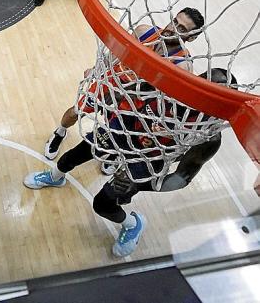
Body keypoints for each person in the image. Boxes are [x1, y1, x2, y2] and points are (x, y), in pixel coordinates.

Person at [25, 69, 235, 257]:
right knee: (73, 156)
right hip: (125, 130)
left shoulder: (208, 136)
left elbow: (181, 179)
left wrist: (138, 184)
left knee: (102, 205)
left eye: (212, 94)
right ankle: (55, 178)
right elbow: (128, 91)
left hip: (148, 159)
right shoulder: (166, 87)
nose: (202, 93)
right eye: (202, 85)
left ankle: (133, 224)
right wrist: (105, 91)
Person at [43, 7, 206, 174]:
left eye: (181, 29)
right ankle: (60, 131)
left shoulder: (182, 66)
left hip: (137, 103)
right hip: (112, 82)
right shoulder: (144, 31)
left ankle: (113, 155)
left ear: (191, 38)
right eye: (174, 21)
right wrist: (96, 71)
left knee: (116, 133)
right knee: (76, 111)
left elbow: (160, 100)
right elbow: (116, 52)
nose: (172, 28)